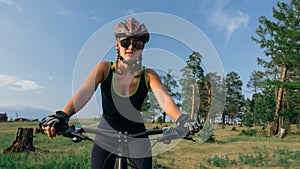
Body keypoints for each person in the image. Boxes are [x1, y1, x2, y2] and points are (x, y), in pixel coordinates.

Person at [40, 18, 201, 169]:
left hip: (138, 135)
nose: (131, 47)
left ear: (142, 48)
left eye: (137, 44)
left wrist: (181, 119)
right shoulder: (103, 68)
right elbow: (84, 93)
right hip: (105, 134)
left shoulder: (149, 75)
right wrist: (62, 115)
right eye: (125, 42)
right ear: (117, 45)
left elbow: (164, 100)